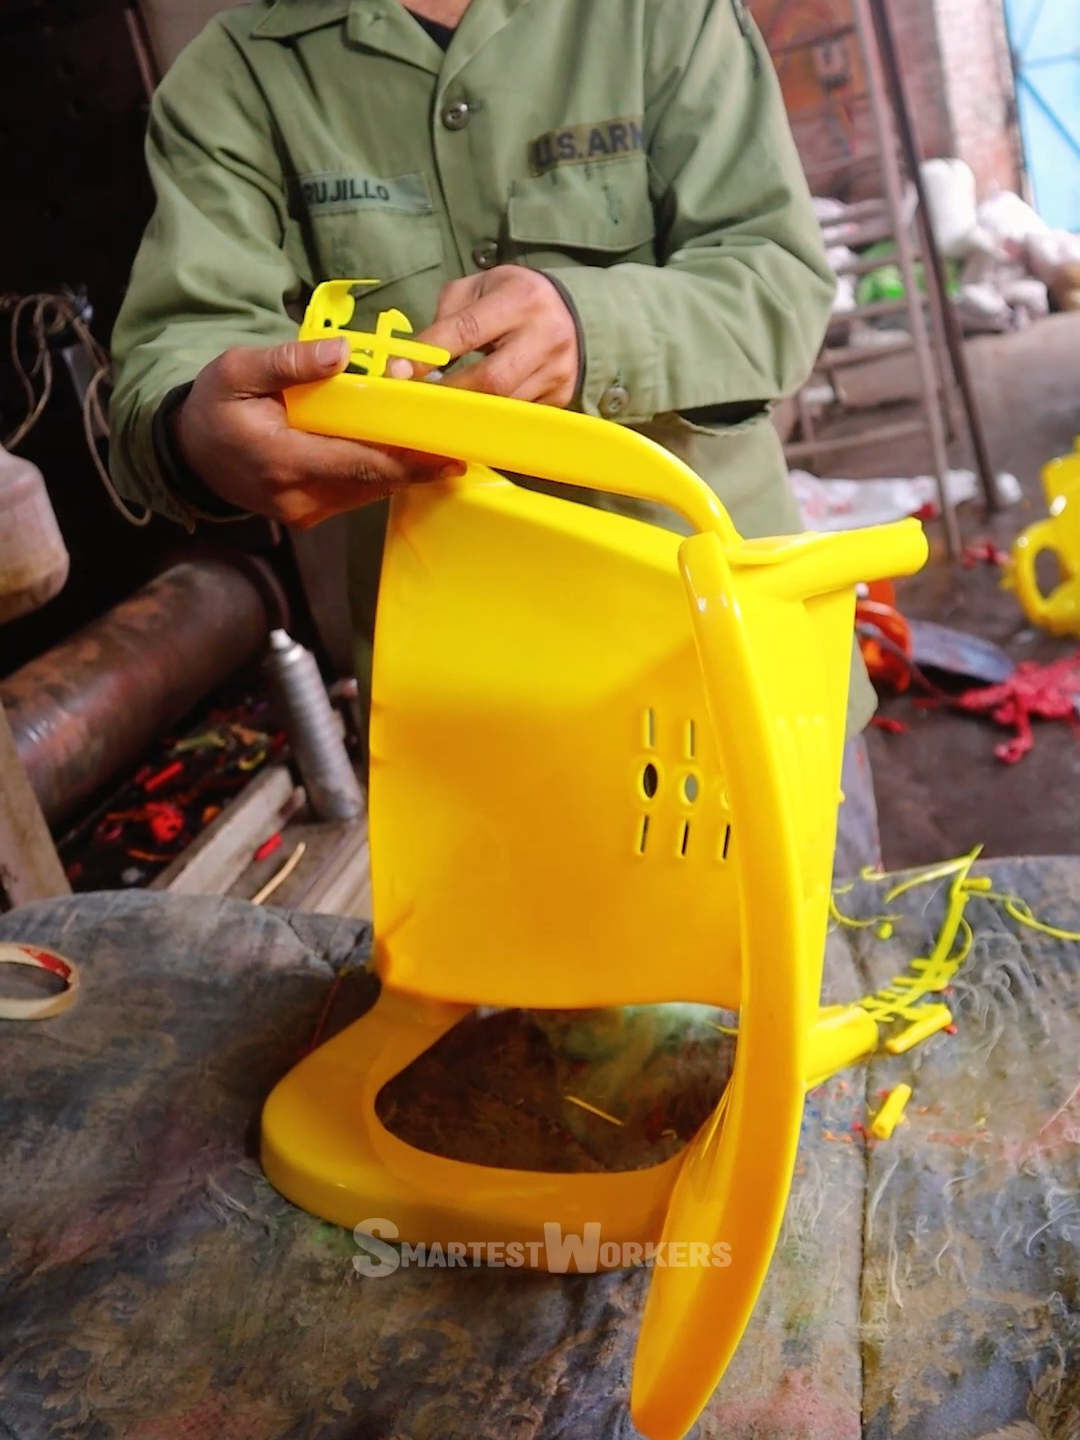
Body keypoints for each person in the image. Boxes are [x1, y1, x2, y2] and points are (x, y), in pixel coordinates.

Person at [109, 0, 880, 868]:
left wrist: (590, 330)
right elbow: (174, 350)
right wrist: (189, 433)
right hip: (470, 725)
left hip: (730, 683)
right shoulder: (236, 77)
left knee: (812, 978)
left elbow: (777, 287)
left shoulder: (665, 16)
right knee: (525, 994)